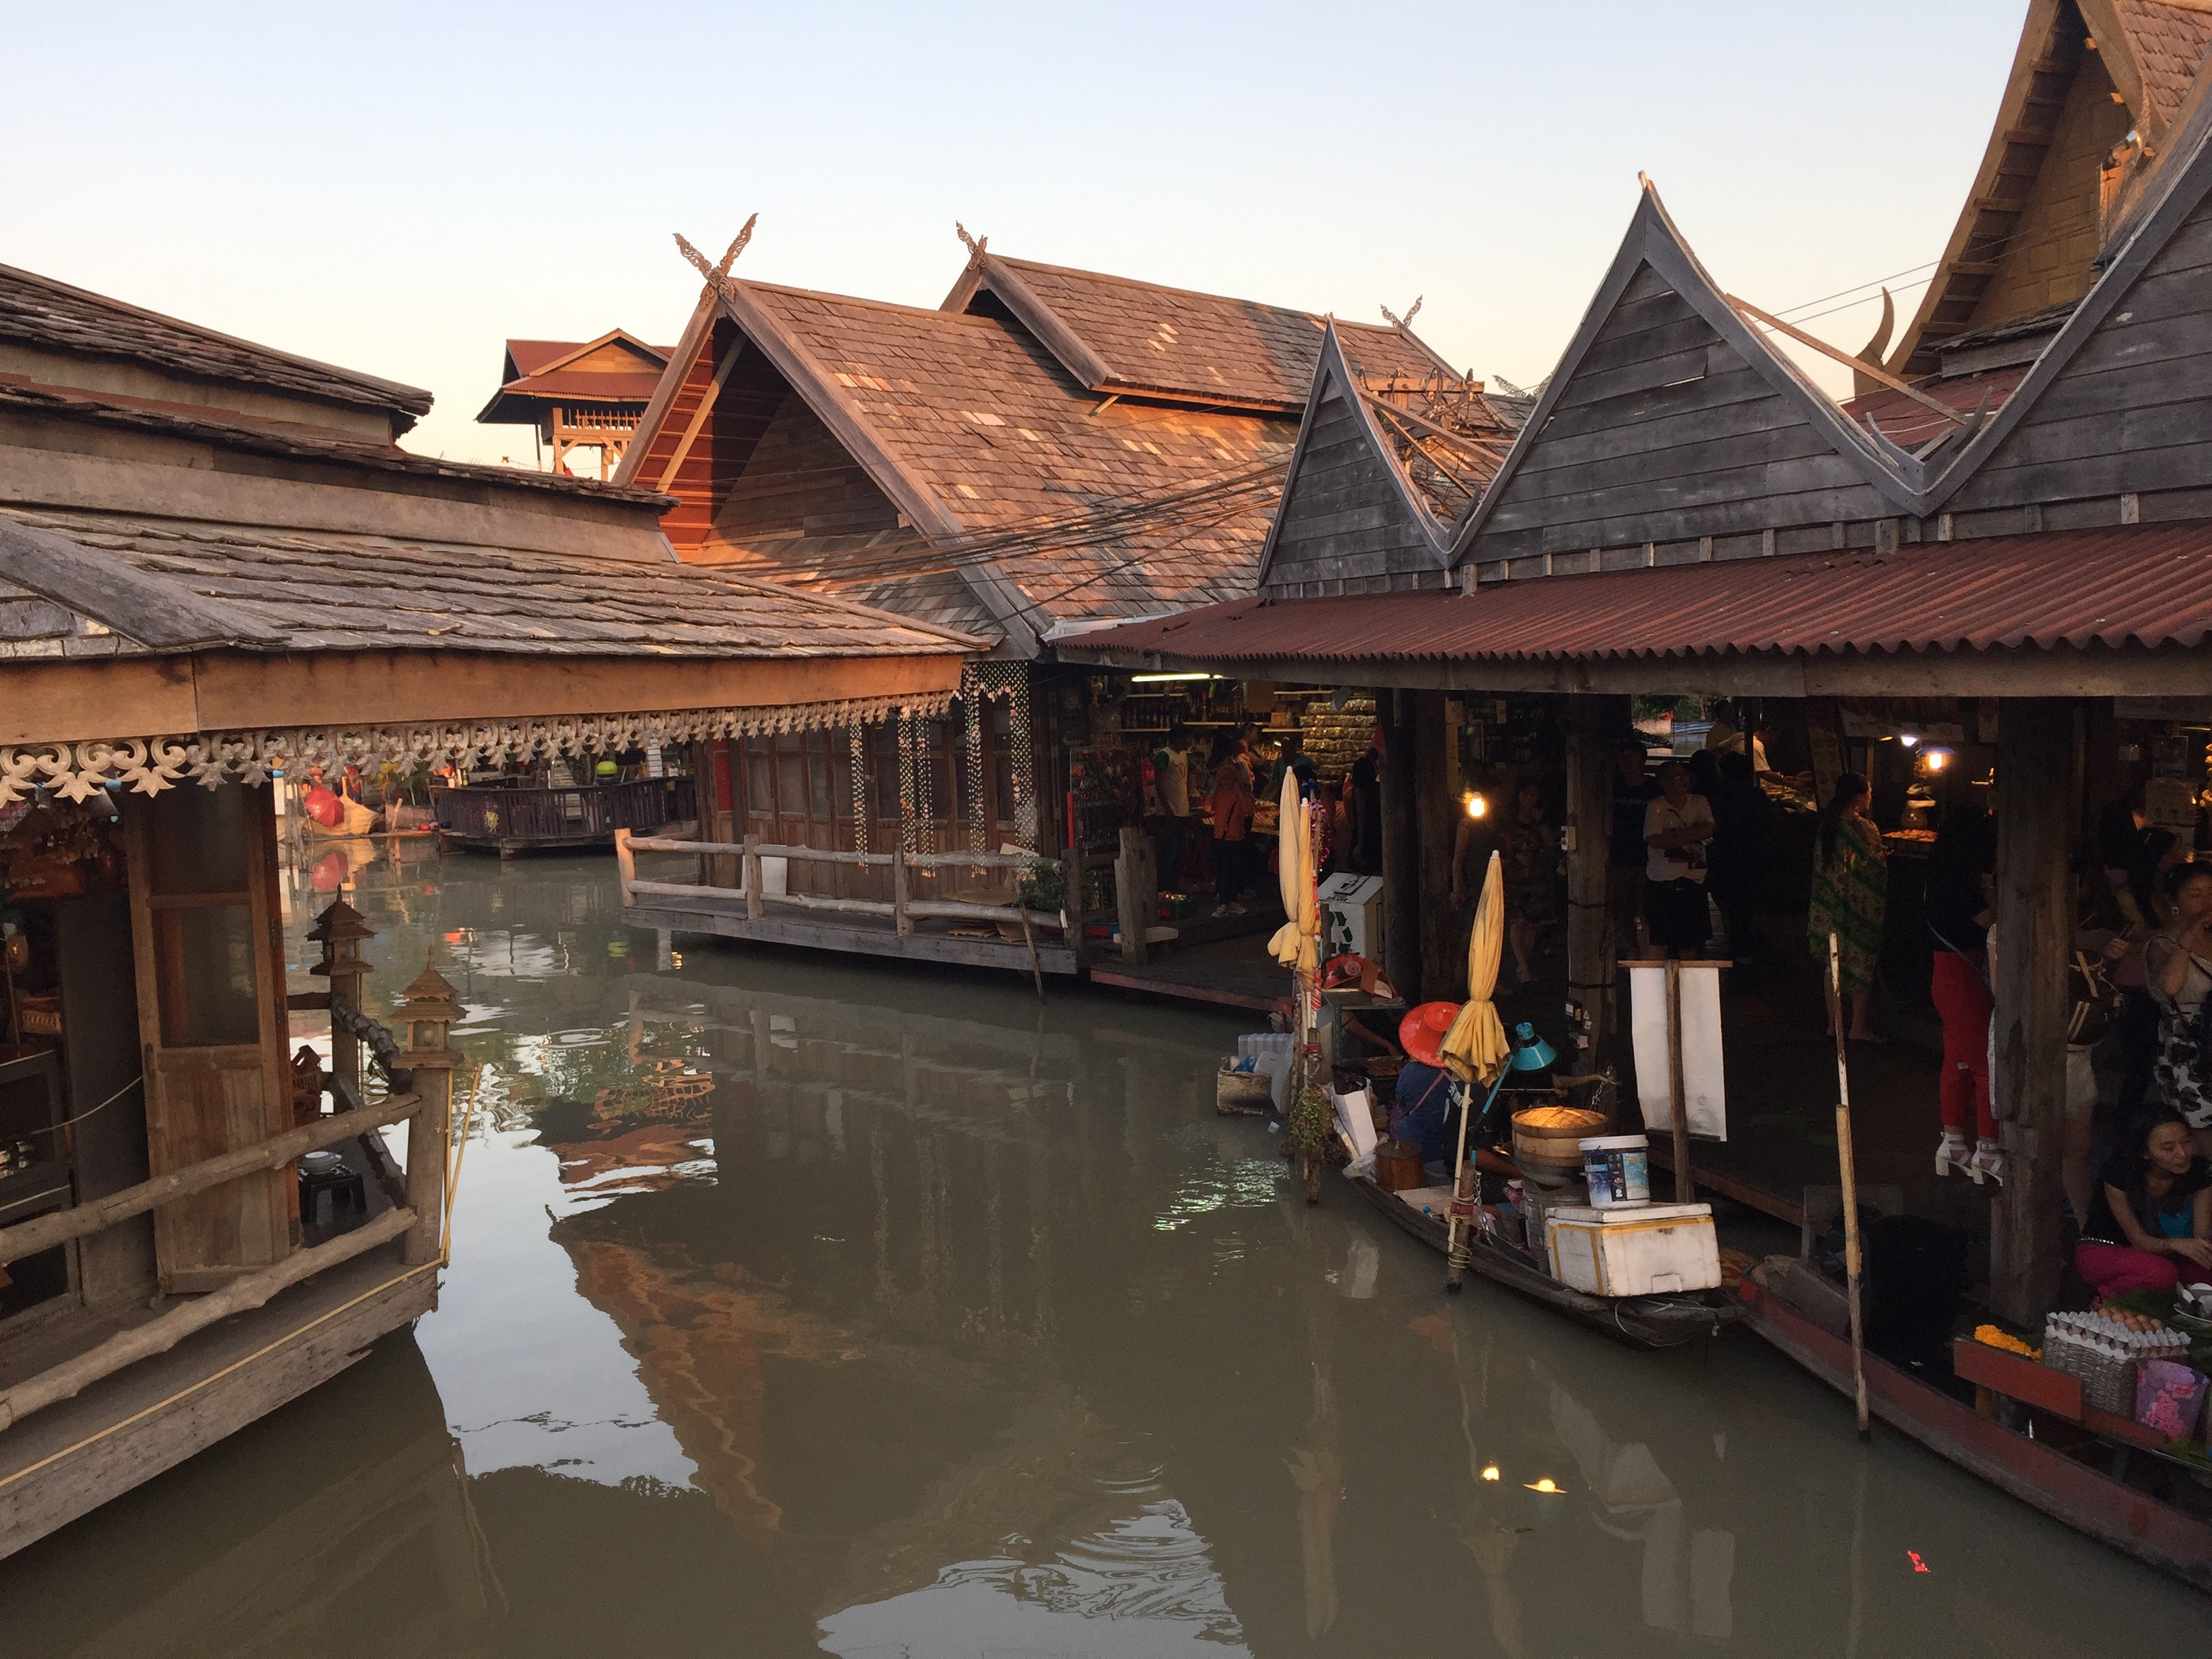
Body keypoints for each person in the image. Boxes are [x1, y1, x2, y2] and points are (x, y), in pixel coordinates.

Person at [1923, 806, 1996, 1179]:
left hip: (1948, 971)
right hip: (1962, 974)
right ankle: (1988, 1146)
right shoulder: (1957, 879)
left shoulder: (1940, 872)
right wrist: (2000, 892)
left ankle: (1953, 1142)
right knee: (1987, 1062)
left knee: (1958, 1060)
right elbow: (1982, 921)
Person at [2076, 1107, 2212, 1300]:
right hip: (2106, 1250)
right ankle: (2104, 1299)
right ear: (2145, 1153)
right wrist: (2176, 1244)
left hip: (2169, 1254)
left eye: (2187, 1142)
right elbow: (2140, 1242)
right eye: (2168, 1148)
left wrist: (2198, 1249)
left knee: (2204, 1272)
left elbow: (2201, 1240)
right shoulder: (2119, 1173)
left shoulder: (2200, 1172)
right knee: (2161, 1275)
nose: (2182, 1153)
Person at [1807, 772, 1887, 1042]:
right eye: (1869, 793)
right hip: (1858, 910)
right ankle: (1858, 1027)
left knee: (1833, 966)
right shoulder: (1864, 828)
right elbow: (1874, 867)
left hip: (1828, 907)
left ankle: (1834, 1024)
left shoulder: (1826, 826)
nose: (1870, 798)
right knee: (1862, 964)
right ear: (1859, 797)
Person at [2144, 859, 2212, 1157]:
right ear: (2173, 900)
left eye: (2211, 892)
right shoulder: (2161, 943)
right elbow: (2171, 986)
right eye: (2195, 894)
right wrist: (2189, 934)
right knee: (2201, 1129)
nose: (2206, 900)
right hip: (2191, 1051)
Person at [1643, 760, 1715, 959]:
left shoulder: (1699, 801)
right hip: (1662, 880)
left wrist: (1672, 836)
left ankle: (1686, 984)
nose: (1683, 780)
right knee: (1659, 939)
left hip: (1693, 879)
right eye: (1676, 776)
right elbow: (1656, 840)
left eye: (1684, 775)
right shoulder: (1656, 807)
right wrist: (1693, 834)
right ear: (1663, 782)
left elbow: (1709, 829)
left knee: (1690, 940)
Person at [1707, 750, 1771, 966]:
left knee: (1732, 901)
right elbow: (1768, 824)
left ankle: (1738, 943)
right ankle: (1745, 944)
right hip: (1754, 854)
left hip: (1727, 853)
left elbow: (1715, 826)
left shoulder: (1720, 795)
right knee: (1746, 902)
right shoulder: (1757, 795)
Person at [1502, 778, 1555, 987]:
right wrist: (1515, 857)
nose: (1531, 799)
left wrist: (1540, 823)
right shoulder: (1508, 820)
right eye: (1528, 794)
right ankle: (1523, 968)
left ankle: (1522, 964)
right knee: (1518, 922)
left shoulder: (1538, 820)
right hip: (1515, 876)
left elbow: (1550, 843)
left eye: (1535, 795)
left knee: (1532, 924)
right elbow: (1504, 845)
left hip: (1535, 876)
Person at [1610, 740, 1658, 957]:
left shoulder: (1653, 789)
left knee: (1647, 908)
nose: (1626, 761)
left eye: (1632, 757)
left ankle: (1649, 951)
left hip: (1649, 857)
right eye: (1623, 757)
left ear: (1642, 760)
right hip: (1619, 856)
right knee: (1622, 910)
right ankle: (1633, 950)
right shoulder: (1613, 786)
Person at [1207, 732, 1256, 916]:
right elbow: (1210, 805)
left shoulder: (1235, 795)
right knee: (1224, 870)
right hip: (1223, 836)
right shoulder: (1220, 794)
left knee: (1232, 870)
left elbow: (1246, 810)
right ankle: (1226, 901)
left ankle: (1229, 901)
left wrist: (1239, 793)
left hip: (1233, 836)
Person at [1151, 724, 1192, 891]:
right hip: (1169, 811)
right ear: (1180, 739)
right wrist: (1167, 807)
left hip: (1183, 809)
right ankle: (1164, 886)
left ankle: (1173, 883)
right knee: (1170, 850)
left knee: (1180, 849)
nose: (1190, 742)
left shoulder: (1183, 756)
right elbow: (1159, 784)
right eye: (1188, 738)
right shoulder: (1163, 755)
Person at [1347, 731, 1384, 875]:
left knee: (1364, 871)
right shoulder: (1378, 790)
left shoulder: (1361, 793)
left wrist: (1360, 844)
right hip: (1377, 834)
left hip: (1367, 837)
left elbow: (1361, 818)